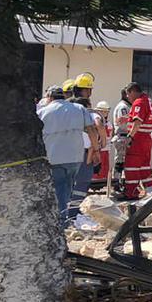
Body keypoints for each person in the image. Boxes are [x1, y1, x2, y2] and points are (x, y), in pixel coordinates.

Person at [37, 90, 94, 227]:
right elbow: (91, 129)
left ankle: (61, 220)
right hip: (75, 157)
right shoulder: (79, 108)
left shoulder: (43, 112)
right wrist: (96, 149)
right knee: (67, 187)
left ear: (50, 98)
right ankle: (63, 217)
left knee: (58, 188)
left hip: (54, 156)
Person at [67, 75, 105, 221]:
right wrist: (99, 147)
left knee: (67, 182)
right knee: (82, 182)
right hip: (83, 153)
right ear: (87, 91)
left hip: (66, 151)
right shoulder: (87, 110)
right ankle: (72, 213)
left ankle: (65, 211)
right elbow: (97, 126)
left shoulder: (67, 107)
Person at [121, 82, 152, 200]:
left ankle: (131, 193)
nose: (127, 97)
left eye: (128, 94)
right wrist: (127, 118)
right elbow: (146, 117)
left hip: (138, 139)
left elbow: (138, 122)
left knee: (131, 166)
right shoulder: (149, 101)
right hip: (147, 138)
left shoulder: (139, 102)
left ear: (132, 91)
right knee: (144, 166)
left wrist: (130, 137)